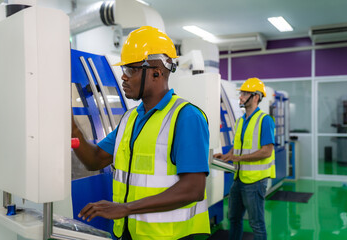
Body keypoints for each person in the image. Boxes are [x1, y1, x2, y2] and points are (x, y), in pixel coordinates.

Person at [72, 26, 210, 240]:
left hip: (166, 236)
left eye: (131, 70)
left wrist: (126, 208)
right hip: (127, 233)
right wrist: (72, 128)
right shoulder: (130, 119)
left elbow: (193, 189)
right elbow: (95, 159)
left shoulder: (186, 117)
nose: (124, 78)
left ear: (157, 71)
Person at [213, 77, 275, 240]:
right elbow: (237, 146)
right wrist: (226, 156)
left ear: (255, 97)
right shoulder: (241, 121)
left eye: (244, 94)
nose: (240, 97)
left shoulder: (265, 120)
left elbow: (267, 152)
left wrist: (238, 158)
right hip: (239, 179)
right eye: (241, 94)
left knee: (256, 223)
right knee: (233, 219)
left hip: (255, 181)